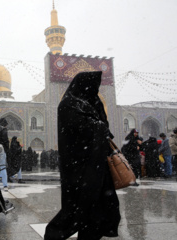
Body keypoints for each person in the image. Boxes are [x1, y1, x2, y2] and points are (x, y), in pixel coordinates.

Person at [44, 71, 120, 240]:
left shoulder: (90, 103)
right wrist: (99, 127)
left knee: (97, 209)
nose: (95, 90)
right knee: (76, 208)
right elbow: (83, 129)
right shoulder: (68, 105)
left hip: (98, 166)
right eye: (93, 86)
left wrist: (99, 112)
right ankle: (54, 235)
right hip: (78, 168)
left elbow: (103, 128)